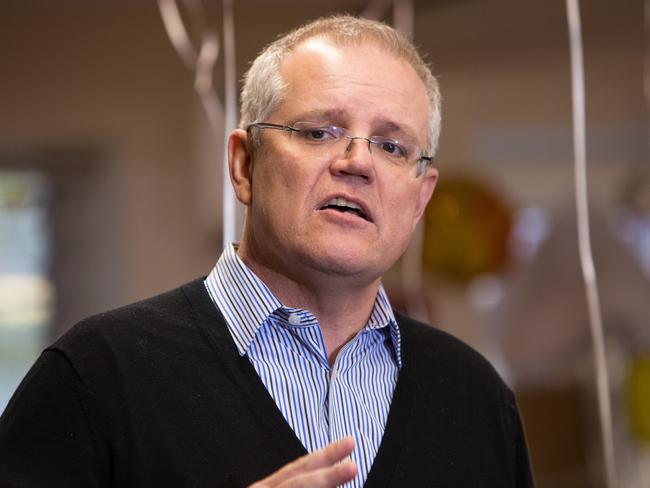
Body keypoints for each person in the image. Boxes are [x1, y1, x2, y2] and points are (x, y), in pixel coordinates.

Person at [0, 15, 533, 488]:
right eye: (320, 131)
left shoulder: (478, 399)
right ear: (243, 165)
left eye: (392, 146)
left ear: (420, 199)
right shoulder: (95, 376)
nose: (357, 162)